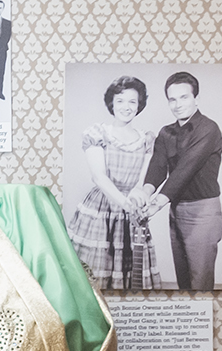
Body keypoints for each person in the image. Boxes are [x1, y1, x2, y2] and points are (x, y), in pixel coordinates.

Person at [67, 75, 159, 291]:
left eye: (132, 101)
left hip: (132, 210)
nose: (126, 107)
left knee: (131, 274)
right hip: (102, 208)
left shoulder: (147, 139)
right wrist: (126, 205)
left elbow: (142, 182)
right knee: (95, 275)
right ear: (112, 103)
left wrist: (137, 203)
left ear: (139, 105)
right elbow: (99, 177)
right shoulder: (98, 133)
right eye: (120, 101)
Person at [141, 70, 222, 291]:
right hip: (176, 210)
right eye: (172, 99)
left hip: (203, 212)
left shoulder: (208, 129)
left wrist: (156, 204)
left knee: (200, 284)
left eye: (184, 97)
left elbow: (185, 170)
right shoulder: (166, 133)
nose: (178, 105)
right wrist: (144, 193)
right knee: (184, 283)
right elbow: (157, 167)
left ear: (196, 98)